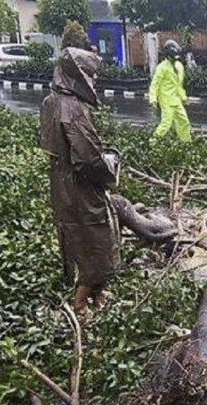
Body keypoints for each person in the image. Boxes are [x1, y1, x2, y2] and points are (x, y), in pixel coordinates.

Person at [40, 47, 120, 318]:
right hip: (80, 187)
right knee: (96, 241)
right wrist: (109, 168)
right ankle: (81, 303)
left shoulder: (51, 101)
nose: (94, 80)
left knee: (80, 238)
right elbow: (87, 159)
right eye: (90, 74)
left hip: (61, 183)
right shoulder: (72, 108)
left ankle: (97, 293)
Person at [149, 40, 191, 143]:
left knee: (184, 121)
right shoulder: (161, 68)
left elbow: (179, 85)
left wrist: (184, 98)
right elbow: (155, 84)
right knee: (166, 123)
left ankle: (186, 142)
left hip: (176, 100)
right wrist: (153, 99)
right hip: (166, 100)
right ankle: (153, 143)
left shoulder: (179, 67)